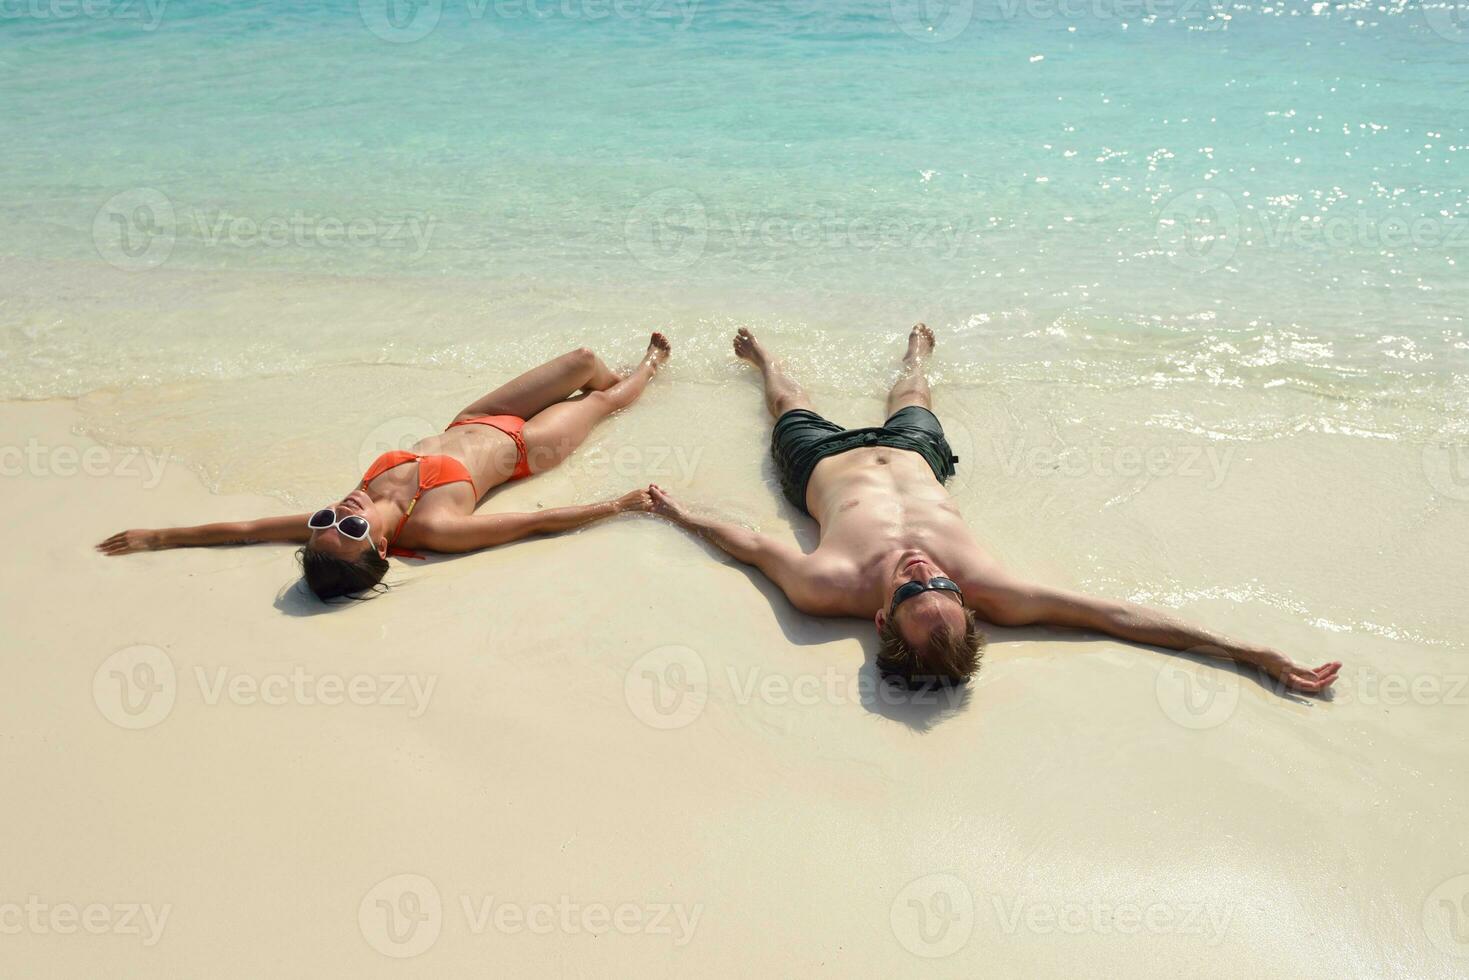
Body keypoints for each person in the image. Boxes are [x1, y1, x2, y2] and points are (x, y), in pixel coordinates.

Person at [647, 325, 1340, 693]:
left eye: (916, 590)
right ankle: (914, 351)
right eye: (942, 586)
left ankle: (764, 359)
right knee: (914, 393)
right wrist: (1249, 652)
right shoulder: (990, 592)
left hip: (820, 464)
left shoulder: (827, 588)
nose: (926, 572)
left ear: (884, 618)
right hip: (913, 453)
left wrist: (680, 514)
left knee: (785, 401)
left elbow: (747, 544)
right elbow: (1117, 617)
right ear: (966, 603)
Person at [97, 336, 671, 599]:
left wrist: (157, 535)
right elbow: (535, 524)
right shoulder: (435, 529)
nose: (342, 514)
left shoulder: (348, 515)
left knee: (583, 361)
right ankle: (649, 369)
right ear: (380, 551)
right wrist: (616, 505)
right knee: (603, 401)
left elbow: (245, 530)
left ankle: (614, 371)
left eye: (327, 519)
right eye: (350, 529)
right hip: (528, 448)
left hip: (476, 415)